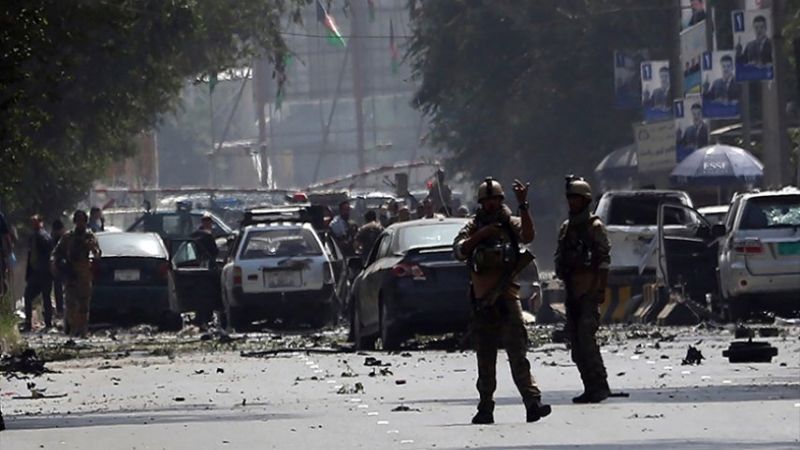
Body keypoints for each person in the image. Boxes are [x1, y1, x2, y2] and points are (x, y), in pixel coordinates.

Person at [453, 177, 551, 425]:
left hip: (507, 299)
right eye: (487, 201)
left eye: (495, 200)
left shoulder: (510, 223)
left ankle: (533, 402)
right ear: (481, 203)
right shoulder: (472, 226)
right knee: (485, 359)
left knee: (518, 355)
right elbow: (459, 250)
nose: (491, 205)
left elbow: (528, 235)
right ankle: (485, 407)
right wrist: (481, 235)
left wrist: (523, 205)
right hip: (483, 302)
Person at [554, 177, 611, 404]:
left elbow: (604, 261)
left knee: (586, 340)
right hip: (572, 291)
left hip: (589, 290)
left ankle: (600, 384)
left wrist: (600, 289)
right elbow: (560, 257)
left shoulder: (595, 228)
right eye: (570, 198)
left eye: (576, 198)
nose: (572, 203)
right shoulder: (566, 228)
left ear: (585, 200)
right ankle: (589, 386)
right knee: (576, 345)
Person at [51, 210, 101, 338]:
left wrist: (92, 248)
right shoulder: (68, 237)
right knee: (71, 304)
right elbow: (56, 252)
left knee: (84, 305)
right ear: (75, 221)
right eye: (78, 220)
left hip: (84, 273)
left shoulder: (90, 236)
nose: (80, 223)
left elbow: (97, 253)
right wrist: (56, 264)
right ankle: (73, 329)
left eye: (82, 221)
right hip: (71, 272)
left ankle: (82, 330)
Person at [23, 215, 54, 332]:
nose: (34, 225)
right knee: (28, 295)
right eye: (32, 223)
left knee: (46, 297)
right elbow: (31, 256)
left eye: (36, 222)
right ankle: (28, 322)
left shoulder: (44, 236)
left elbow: (49, 254)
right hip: (35, 272)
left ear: (41, 223)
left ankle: (48, 322)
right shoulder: (32, 237)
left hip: (44, 272)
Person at [50, 219, 66, 317]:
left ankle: (64, 309)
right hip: (57, 266)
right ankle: (60, 310)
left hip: (65, 266)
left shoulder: (65, 238)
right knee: (58, 288)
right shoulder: (53, 239)